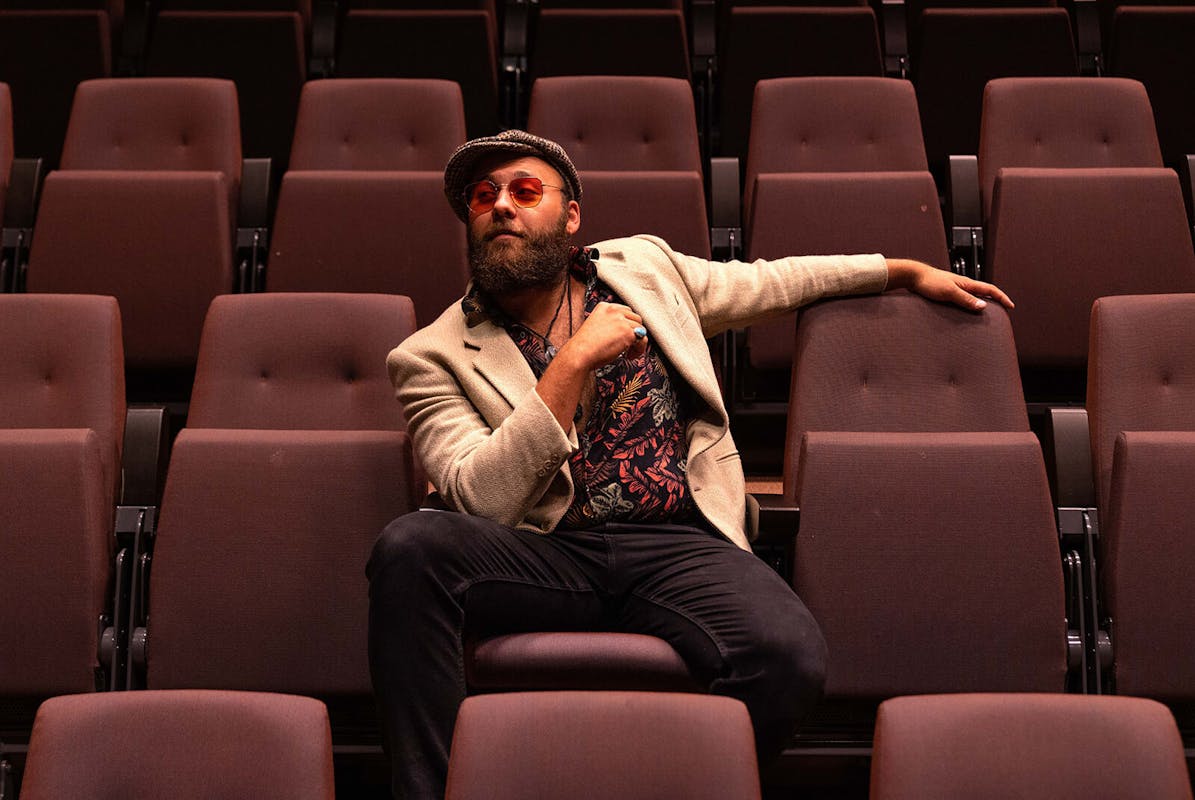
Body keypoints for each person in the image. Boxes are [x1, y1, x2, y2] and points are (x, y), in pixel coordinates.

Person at [367, 130, 1013, 798]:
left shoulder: (645, 270)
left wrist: (899, 270)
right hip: (541, 554)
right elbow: (482, 498)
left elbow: (772, 282)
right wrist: (572, 362)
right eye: (483, 196)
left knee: (787, 657)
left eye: (525, 190)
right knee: (411, 548)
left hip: (676, 541)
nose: (502, 205)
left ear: (571, 214)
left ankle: (666, 781)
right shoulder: (429, 355)